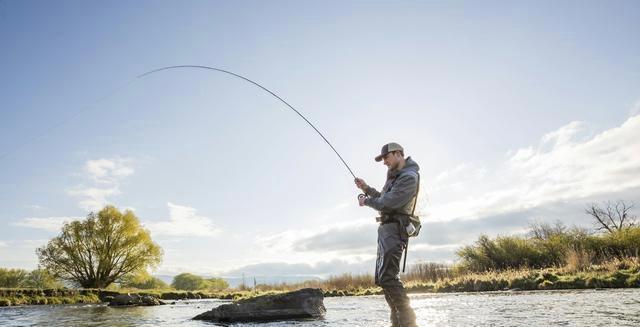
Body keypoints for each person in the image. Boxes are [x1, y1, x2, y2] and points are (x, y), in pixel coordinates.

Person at [355, 142, 419, 327]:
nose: (384, 162)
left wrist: (365, 201)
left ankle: (409, 323)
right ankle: (397, 323)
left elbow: (388, 203)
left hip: (395, 230)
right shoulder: (395, 177)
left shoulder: (408, 177)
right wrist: (366, 188)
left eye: (386, 157)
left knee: (389, 278)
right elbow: (383, 198)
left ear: (398, 154)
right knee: (383, 279)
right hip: (386, 231)